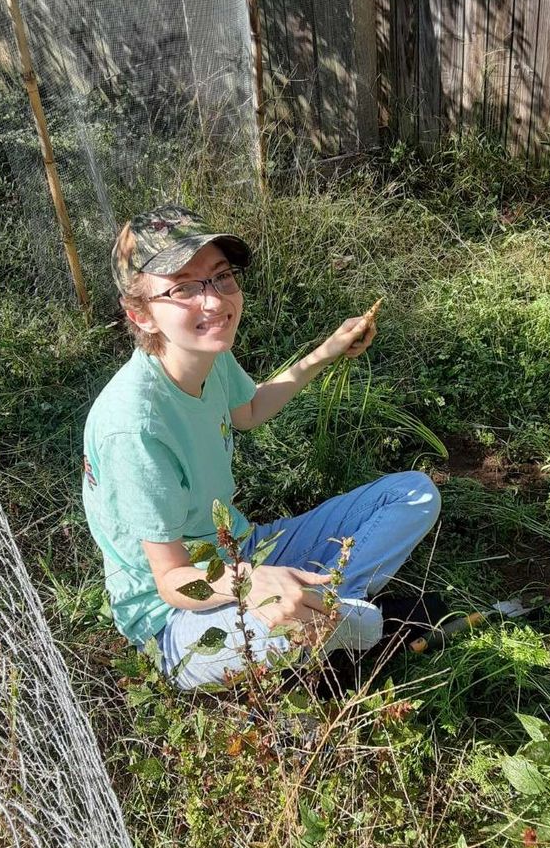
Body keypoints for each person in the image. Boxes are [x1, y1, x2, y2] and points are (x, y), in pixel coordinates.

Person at [82, 203, 442, 690]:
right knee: (303, 625)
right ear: (140, 314)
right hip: (173, 619)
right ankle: (352, 624)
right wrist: (251, 584)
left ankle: (333, 619)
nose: (214, 301)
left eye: (221, 277)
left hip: (243, 549)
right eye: (183, 288)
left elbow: (249, 410)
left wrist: (327, 351)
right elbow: (171, 581)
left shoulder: (208, 355)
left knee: (414, 494)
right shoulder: (135, 427)